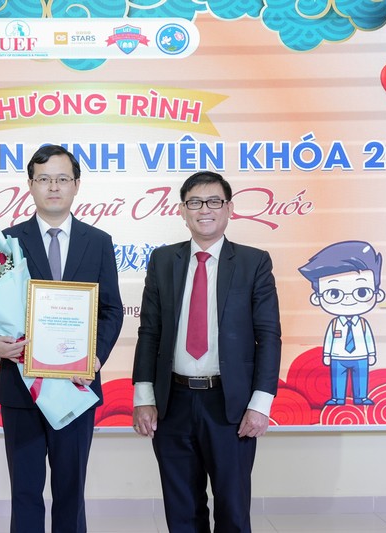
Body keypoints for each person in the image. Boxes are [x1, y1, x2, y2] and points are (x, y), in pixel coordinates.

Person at [0, 144, 124, 533]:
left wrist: (96, 358)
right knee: (25, 490)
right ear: (30, 185)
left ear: (76, 185)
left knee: (71, 491)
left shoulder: (99, 241)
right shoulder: (3, 240)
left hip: (76, 385)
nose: (53, 187)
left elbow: (110, 309)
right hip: (20, 388)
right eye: (44, 179)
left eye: (62, 179)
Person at [132, 171, 281, 533]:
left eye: (214, 201)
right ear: (182, 210)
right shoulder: (163, 260)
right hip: (173, 402)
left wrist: (260, 404)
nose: (205, 210)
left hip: (230, 405)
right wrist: (143, 397)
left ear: (229, 208)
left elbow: (269, 336)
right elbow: (149, 332)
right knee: (182, 510)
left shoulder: (253, 262)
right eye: (195, 202)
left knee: (232, 510)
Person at [298, 241, 385, 406]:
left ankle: (361, 397)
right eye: (334, 293)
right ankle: (338, 398)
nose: (348, 300)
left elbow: (368, 339)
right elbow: (329, 340)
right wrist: (327, 355)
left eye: (361, 292)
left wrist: (372, 354)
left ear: (377, 294)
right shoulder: (334, 324)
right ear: (317, 297)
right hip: (338, 356)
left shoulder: (363, 324)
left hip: (361, 356)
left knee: (361, 377)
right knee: (338, 377)